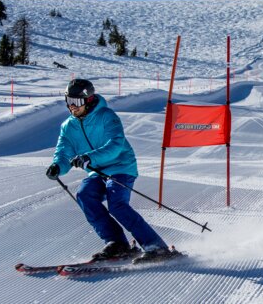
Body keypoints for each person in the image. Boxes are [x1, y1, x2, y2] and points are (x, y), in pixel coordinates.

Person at [45, 79, 170, 260]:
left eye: (77, 102)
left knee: (117, 204)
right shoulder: (68, 126)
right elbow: (63, 152)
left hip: (121, 166)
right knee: (85, 195)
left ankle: (156, 247)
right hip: (96, 171)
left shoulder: (106, 116)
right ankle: (117, 243)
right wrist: (58, 166)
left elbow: (116, 144)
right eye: (69, 101)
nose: (72, 106)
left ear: (88, 100)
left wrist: (89, 157)